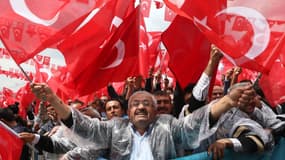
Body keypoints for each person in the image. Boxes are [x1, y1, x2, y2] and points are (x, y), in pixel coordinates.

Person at [30, 81, 255, 159]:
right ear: (128, 111)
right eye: (135, 103)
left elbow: (194, 125)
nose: (140, 107)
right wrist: (53, 99)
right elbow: (85, 128)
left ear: (155, 112)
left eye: (146, 103)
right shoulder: (114, 127)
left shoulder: (168, 124)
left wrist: (227, 100)